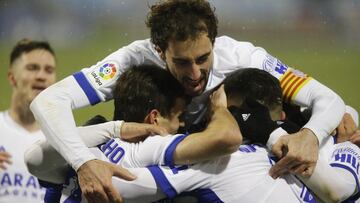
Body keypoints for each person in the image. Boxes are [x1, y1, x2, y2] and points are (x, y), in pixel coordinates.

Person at [30, 0, 346, 201]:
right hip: (152, 157)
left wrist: (311, 134)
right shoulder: (130, 59)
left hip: (216, 163)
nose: (195, 73)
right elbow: (48, 102)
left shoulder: (242, 56)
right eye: (181, 62)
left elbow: (326, 98)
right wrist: (84, 163)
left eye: (203, 58)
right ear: (158, 50)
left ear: (213, 41)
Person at [28, 68, 359, 203]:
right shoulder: (217, 161)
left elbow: (339, 190)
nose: (189, 123)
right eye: (182, 116)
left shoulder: (333, 141)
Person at [25, 64, 241, 202]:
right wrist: (221, 109)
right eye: (180, 118)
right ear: (154, 119)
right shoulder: (149, 149)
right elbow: (225, 140)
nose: (183, 126)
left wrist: (114, 129)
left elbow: (35, 157)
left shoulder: (78, 151)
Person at [0, 39, 57, 202]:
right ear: (12, 78)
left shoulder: (64, 140)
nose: (41, 76)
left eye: (49, 70)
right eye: (32, 68)